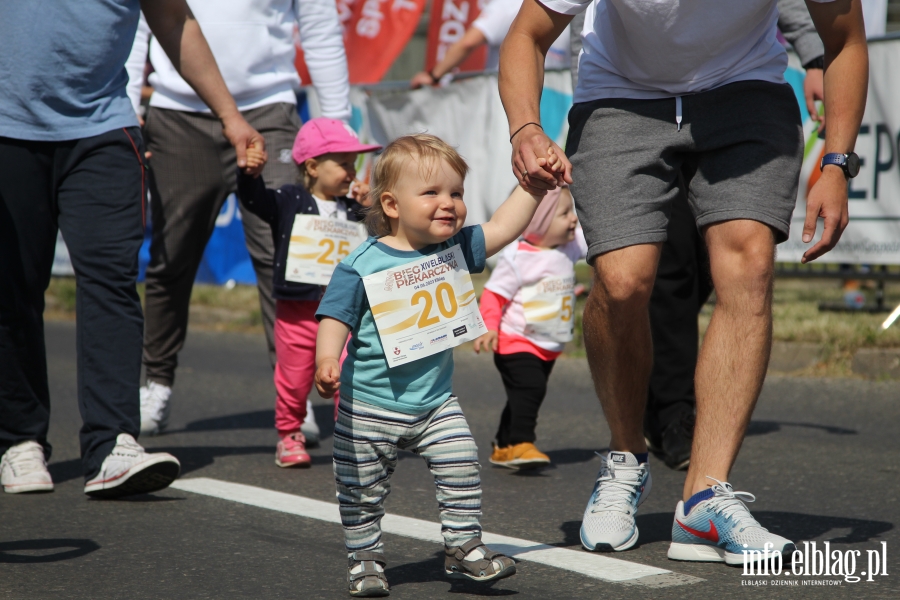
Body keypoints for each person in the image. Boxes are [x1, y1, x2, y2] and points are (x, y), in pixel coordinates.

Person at [500, 0, 867, 564]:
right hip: (619, 93)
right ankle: (625, 458)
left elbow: (844, 40)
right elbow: (527, 34)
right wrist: (526, 126)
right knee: (623, 282)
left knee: (750, 267)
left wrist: (838, 163)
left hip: (745, 89)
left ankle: (703, 500)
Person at [0, 0, 266, 498]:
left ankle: (112, 443)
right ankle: (19, 440)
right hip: (7, 131)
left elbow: (173, 18)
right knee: (13, 288)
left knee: (111, 283)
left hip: (103, 129)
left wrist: (230, 117)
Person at [566, 0, 830, 471]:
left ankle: (705, 491)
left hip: (737, 96)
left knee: (742, 266)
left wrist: (814, 57)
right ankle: (655, 425)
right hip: (627, 99)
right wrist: (588, 123)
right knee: (637, 275)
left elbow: (818, 17)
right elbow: (551, 32)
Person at [313, 134, 560, 595]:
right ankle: (365, 559)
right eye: (432, 193)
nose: (449, 204)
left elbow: (505, 226)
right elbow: (334, 316)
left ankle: (463, 549)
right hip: (368, 406)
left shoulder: (457, 249)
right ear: (391, 204)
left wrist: (534, 187)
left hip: (434, 402)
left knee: (462, 464)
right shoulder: (361, 263)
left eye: (457, 193)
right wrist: (327, 359)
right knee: (361, 491)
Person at [135, 0, 352, 441]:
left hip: (269, 110)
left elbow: (321, 30)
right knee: (171, 258)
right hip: (177, 111)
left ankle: (294, 396)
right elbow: (136, 18)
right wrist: (126, 107)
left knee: (294, 258)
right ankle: (156, 382)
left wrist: (339, 133)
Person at [237, 118, 380, 468]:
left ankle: (349, 436)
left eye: (354, 164)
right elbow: (256, 202)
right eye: (343, 164)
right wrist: (249, 175)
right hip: (297, 312)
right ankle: (289, 434)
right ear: (313, 167)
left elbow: (381, 235)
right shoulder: (289, 199)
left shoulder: (352, 207)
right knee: (294, 377)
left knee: (348, 372)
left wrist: (370, 207)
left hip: (345, 313)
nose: (351, 172)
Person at [473, 186, 586, 469]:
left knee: (520, 396)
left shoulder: (569, 247)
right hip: (516, 339)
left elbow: (597, 237)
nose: (573, 219)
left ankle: (503, 446)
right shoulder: (518, 257)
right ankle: (522, 443)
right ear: (537, 221)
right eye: (564, 213)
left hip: (549, 343)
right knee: (530, 388)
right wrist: (489, 327)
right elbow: (494, 295)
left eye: (572, 211)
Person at [410, 0, 571, 88]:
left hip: (507, 104)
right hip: (557, 100)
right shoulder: (567, 8)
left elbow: (468, 42)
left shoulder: (507, 5)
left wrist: (433, 76)